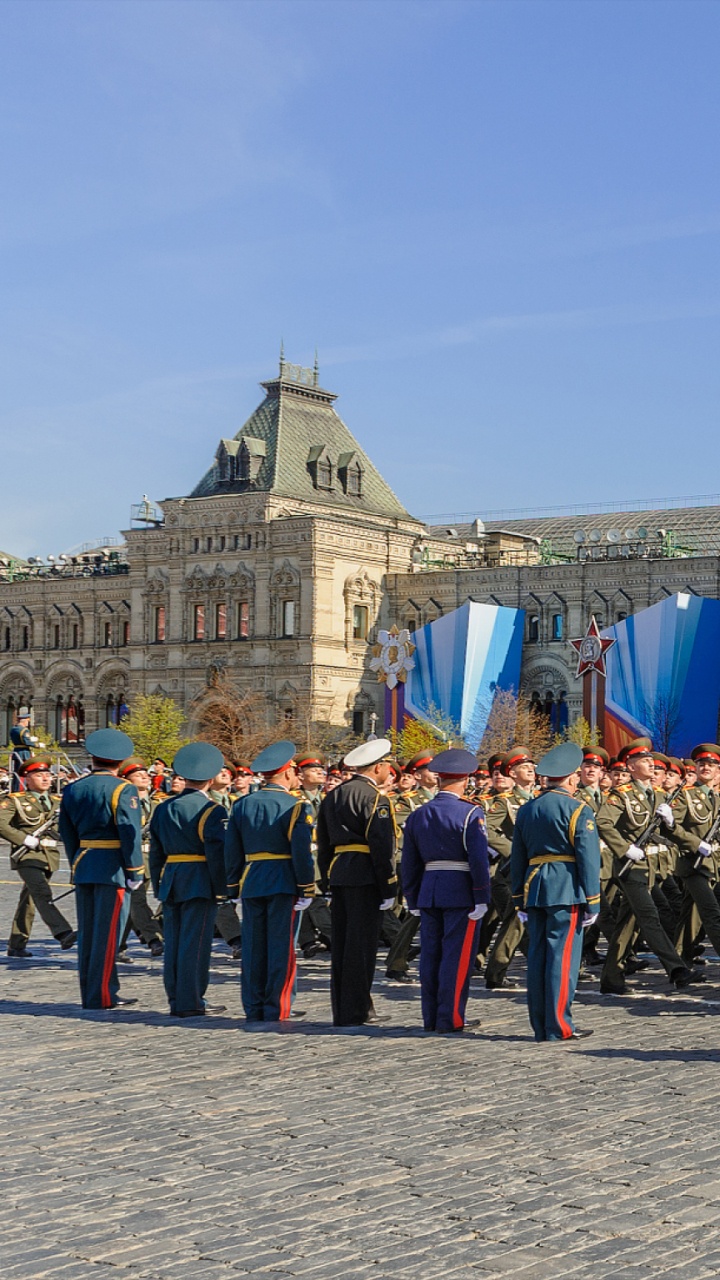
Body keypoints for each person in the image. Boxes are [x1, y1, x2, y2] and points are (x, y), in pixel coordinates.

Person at [511, 742, 601, 1042]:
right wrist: (593, 900)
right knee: (562, 960)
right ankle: (560, 1025)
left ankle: (540, 1023)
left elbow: (518, 856)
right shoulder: (578, 809)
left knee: (537, 957)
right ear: (572, 777)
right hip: (566, 887)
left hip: (534, 886)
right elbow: (588, 858)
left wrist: (517, 898)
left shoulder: (527, 809)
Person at [597, 740, 701, 995]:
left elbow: (668, 831)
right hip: (631, 867)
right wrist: (623, 848)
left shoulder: (660, 795)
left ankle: (611, 979)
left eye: (650, 761)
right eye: (643, 761)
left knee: (627, 922)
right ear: (631, 767)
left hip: (653, 867)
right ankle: (677, 970)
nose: (650, 764)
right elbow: (603, 822)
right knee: (650, 916)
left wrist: (671, 822)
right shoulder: (620, 795)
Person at [225, 741, 315, 1022]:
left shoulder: (241, 805)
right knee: (281, 947)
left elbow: (232, 850)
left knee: (253, 946)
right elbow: (301, 853)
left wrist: (233, 886)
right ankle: (278, 1006)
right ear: (287, 773)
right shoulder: (297, 806)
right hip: (283, 880)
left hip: (251, 879)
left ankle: (254, 1005)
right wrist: (306, 887)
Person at [401, 748, 490, 1033]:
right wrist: (481, 895)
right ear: (464, 780)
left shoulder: (419, 814)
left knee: (431, 956)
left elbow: (409, 862)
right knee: (456, 957)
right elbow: (478, 859)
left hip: (429, 890)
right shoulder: (470, 812)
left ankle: (431, 1016)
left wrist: (412, 896)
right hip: (461, 891)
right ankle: (450, 1017)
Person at [58, 728, 143, 1010]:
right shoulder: (123, 789)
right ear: (120, 761)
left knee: (90, 934)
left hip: (84, 864)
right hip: (113, 868)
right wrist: (135, 871)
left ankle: (91, 992)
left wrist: (77, 862)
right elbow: (129, 835)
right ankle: (103, 994)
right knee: (108, 936)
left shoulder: (72, 788)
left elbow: (67, 834)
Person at [317, 738, 397, 1027]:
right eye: (388, 766)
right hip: (365, 875)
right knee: (361, 947)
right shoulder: (376, 798)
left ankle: (344, 1007)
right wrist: (388, 885)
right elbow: (381, 845)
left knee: (342, 945)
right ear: (379, 767)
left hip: (340, 873)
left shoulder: (333, 795)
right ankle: (357, 1009)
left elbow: (323, 843)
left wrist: (327, 877)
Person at [148, 742, 228, 1017]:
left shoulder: (163, 807)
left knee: (174, 942)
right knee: (195, 944)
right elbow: (216, 854)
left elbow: (156, 853)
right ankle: (191, 999)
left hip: (171, 878)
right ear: (211, 777)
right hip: (200, 880)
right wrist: (222, 888)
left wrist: (158, 884)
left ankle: (175, 996)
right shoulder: (213, 810)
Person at [0, 755, 76, 957]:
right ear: (27, 778)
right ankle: (62, 932)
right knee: (42, 893)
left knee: (30, 900)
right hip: (27, 856)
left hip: (49, 856)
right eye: (39, 775)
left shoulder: (57, 801)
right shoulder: (15, 800)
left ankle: (17, 944)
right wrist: (23, 839)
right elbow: (1, 823)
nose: (45, 778)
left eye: (48, 775)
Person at [484, 747, 536, 989]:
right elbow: (486, 830)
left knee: (523, 920)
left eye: (531, 766)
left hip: (535, 867)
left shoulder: (536, 798)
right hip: (513, 869)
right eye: (524, 767)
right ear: (513, 774)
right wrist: (512, 850)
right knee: (515, 920)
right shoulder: (504, 802)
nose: (530, 769)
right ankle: (495, 972)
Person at [115, 757, 165, 959]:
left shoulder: (158, 802)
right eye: (138, 775)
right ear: (126, 780)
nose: (144, 777)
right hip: (132, 856)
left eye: (145, 774)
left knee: (131, 904)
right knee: (137, 900)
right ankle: (155, 939)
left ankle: (117, 944)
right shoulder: (123, 802)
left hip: (153, 855)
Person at [9, 707, 45, 790]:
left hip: (17, 751)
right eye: (27, 722)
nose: (27, 724)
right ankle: (21, 789)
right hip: (24, 752)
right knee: (23, 772)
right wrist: (38, 745)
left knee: (17, 771)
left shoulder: (13, 729)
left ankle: (15, 788)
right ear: (24, 721)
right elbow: (26, 742)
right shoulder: (24, 730)